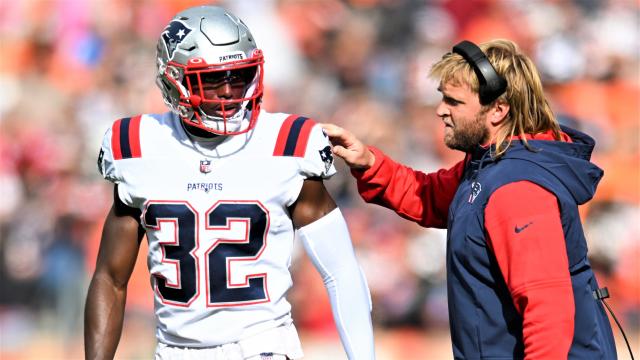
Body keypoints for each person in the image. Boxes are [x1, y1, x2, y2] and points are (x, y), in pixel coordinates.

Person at [84, 6, 375, 360]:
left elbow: (341, 270)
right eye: (211, 78)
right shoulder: (136, 146)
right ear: (171, 79)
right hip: (174, 351)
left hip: (262, 348)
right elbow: (110, 278)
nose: (228, 91)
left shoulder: (287, 142)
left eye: (238, 76)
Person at [322, 39, 617, 359]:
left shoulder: (516, 190)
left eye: (454, 101)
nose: (440, 110)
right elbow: (430, 196)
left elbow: (548, 315)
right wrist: (369, 163)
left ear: (498, 110)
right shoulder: (490, 167)